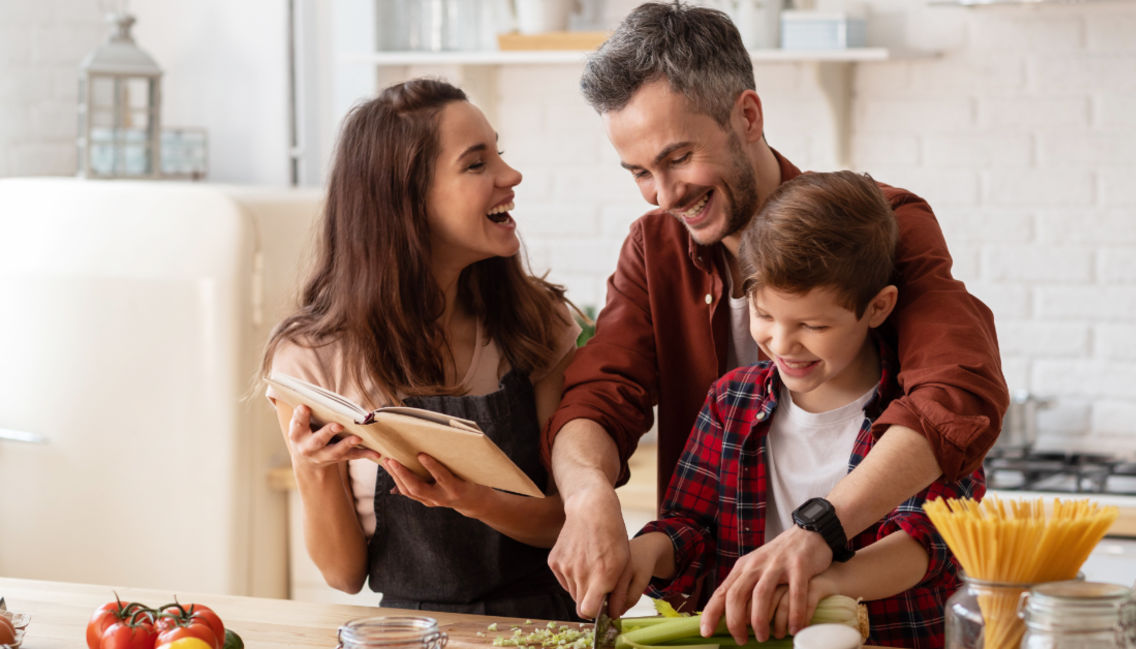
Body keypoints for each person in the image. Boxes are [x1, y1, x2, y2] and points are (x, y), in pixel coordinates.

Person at [542, 0, 1008, 635]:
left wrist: (819, 534)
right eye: (640, 172)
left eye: (678, 158)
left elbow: (957, 392)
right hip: (728, 622)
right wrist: (589, 496)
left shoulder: (882, 226)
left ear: (748, 116)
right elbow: (598, 398)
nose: (664, 194)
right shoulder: (654, 249)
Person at [261, 78, 579, 619]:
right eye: (477, 164)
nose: (511, 175)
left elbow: (569, 522)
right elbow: (343, 574)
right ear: (406, 199)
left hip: (541, 626)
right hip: (409, 633)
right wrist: (311, 469)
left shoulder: (537, 323)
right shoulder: (309, 361)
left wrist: (472, 500)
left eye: (498, 153)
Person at [627, 171, 984, 649]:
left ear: (877, 308)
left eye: (813, 324)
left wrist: (825, 584)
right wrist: (644, 554)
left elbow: (931, 541)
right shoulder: (730, 401)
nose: (781, 342)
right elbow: (690, 530)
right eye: (765, 314)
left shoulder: (921, 416)